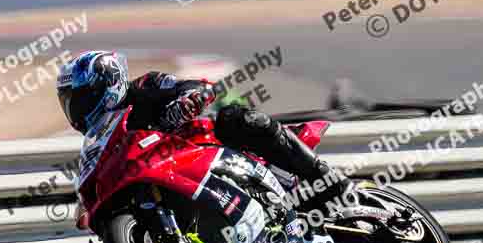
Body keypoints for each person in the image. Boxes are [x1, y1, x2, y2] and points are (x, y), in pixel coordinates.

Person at [56, 50, 349, 208]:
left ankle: (326, 179)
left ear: (106, 83)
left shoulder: (147, 86)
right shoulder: (106, 136)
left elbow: (194, 86)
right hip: (175, 174)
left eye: (82, 99)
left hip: (209, 143)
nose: (78, 109)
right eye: (72, 103)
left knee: (236, 118)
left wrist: (189, 99)